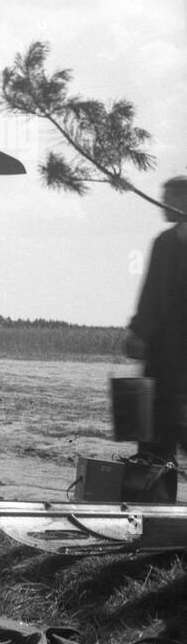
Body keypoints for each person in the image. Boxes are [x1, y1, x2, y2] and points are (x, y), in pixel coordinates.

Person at [125, 177, 187, 463]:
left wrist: (139, 332)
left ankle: (151, 496)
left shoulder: (168, 241)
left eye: (170, 198)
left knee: (156, 429)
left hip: (168, 352)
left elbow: (155, 294)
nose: (163, 205)